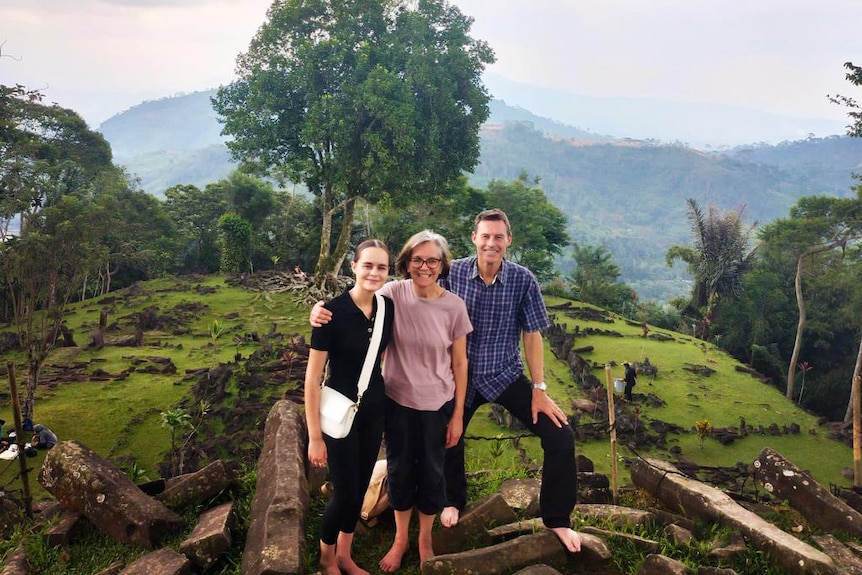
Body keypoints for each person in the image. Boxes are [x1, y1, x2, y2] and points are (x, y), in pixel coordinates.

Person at [311, 230, 473, 571]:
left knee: (429, 474)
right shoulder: (387, 295)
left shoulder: (438, 305)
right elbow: (353, 306)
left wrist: (458, 413)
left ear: (443, 265)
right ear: (406, 264)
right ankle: (365, 550)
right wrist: (318, 311)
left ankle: (409, 543)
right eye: (417, 259)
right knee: (381, 479)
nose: (424, 266)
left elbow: (460, 362)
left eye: (432, 260)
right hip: (385, 403)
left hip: (416, 405)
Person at [440, 208, 581, 553]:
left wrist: (539, 389)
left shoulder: (523, 279)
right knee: (445, 433)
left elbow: (532, 335)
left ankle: (558, 519)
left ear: (508, 241)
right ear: (474, 238)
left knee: (561, 436)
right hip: (461, 377)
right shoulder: (452, 273)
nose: (491, 243)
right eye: (485, 236)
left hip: (505, 374)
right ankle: (451, 500)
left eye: (498, 237)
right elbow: (413, 296)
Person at [304, 239, 395, 575]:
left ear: (388, 272)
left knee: (358, 492)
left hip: (373, 410)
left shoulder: (388, 308)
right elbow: (312, 377)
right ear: (353, 267)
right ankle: (327, 561)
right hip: (340, 414)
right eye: (367, 265)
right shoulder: (330, 313)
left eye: (381, 267)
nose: (374, 272)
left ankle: (345, 555)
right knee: (344, 494)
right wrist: (315, 436)